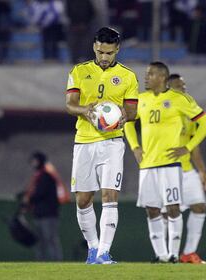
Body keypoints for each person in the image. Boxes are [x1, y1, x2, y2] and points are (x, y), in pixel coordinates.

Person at [124, 62, 206, 263]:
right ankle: (161, 256)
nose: (146, 78)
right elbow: (128, 122)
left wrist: (188, 148)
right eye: (146, 74)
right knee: (152, 210)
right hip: (147, 165)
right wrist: (135, 147)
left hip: (171, 165)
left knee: (173, 208)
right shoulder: (141, 99)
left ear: (162, 77)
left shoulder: (179, 99)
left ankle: (174, 254)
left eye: (151, 74)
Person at [65, 27, 138, 264]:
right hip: (84, 141)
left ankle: (105, 253)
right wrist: (86, 110)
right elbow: (70, 104)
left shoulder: (128, 76)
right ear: (94, 47)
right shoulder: (79, 71)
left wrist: (121, 116)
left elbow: (133, 111)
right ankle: (93, 250)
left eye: (108, 53)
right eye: (99, 52)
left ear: (117, 49)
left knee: (109, 195)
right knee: (83, 200)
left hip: (112, 142)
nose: (104, 57)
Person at [165, 73, 206, 264]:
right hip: (166, 169)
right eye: (179, 87)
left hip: (186, 168)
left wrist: (202, 171)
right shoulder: (163, 111)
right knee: (168, 213)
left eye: (184, 87)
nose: (183, 90)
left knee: (199, 207)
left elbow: (194, 146)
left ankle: (189, 253)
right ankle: (167, 254)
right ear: (168, 88)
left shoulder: (189, 114)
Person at [23, 151, 63, 261]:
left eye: (35, 161)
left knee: (50, 239)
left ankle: (57, 262)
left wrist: (28, 199)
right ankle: (41, 263)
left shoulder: (46, 176)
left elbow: (40, 193)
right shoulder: (39, 176)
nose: (33, 163)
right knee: (40, 241)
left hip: (48, 215)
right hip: (39, 214)